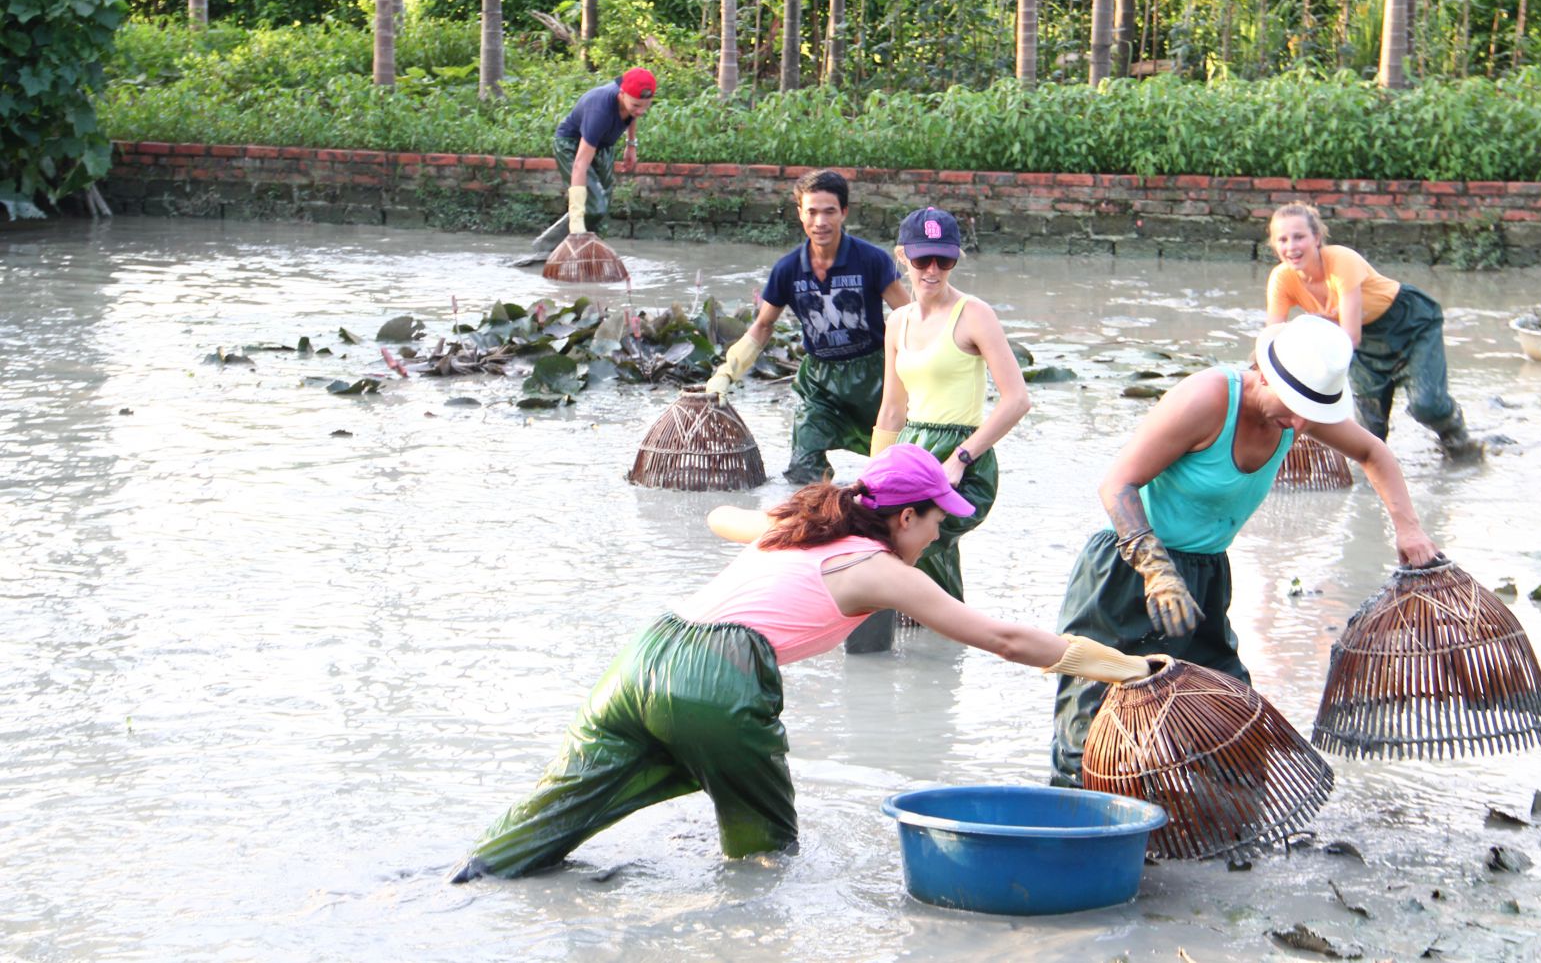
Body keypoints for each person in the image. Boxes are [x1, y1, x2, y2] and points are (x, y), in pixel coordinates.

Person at [447, 444, 1150, 882]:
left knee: (545, 822)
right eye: (937, 518)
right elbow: (1002, 639)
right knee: (767, 856)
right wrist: (1125, 667)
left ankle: (456, 885)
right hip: (717, 676)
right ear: (904, 518)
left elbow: (723, 518)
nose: (941, 531)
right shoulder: (877, 568)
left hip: (647, 652)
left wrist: (768, 523)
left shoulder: (804, 530)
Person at [1049, 315, 1441, 787]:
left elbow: (1374, 454)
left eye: (1309, 413)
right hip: (1127, 569)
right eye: (1292, 406)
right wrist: (1157, 570)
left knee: (1233, 717)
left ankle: (1212, 834)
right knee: (1092, 729)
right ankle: (1073, 833)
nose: (1298, 425)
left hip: (1206, 575)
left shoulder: (1301, 416)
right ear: (1262, 371)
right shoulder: (1207, 399)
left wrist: (1409, 530)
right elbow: (1117, 484)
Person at [706, 169, 910, 484]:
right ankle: (821, 523)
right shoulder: (788, 270)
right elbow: (763, 326)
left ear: (844, 212)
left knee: (898, 468)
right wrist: (726, 373)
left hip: (876, 380)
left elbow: (911, 317)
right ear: (800, 213)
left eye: (829, 211)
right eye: (811, 212)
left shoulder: (870, 260)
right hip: (821, 385)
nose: (820, 222)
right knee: (804, 469)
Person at [870, 207, 1031, 605]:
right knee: (895, 549)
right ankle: (940, 652)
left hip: (965, 460)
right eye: (922, 258)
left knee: (925, 547)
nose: (932, 270)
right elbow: (892, 409)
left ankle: (938, 637)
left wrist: (962, 457)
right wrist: (871, 481)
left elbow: (1017, 400)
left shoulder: (974, 314)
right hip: (911, 454)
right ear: (901, 256)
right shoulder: (898, 322)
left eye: (945, 260)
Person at [1265, 201, 1481, 460]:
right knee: (1369, 434)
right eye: (1283, 240)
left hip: (1408, 324)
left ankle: (1458, 438)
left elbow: (1350, 336)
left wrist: (1318, 389)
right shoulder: (1281, 279)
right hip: (1361, 344)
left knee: (1427, 405)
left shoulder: (1341, 261)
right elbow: (1272, 342)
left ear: (1317, 238)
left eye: (1299, 237)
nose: (1291, 247)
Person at [553, 66, 656, 236]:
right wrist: (577, 223)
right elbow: (580, 164)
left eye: (646, 106)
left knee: (602, 206)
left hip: (603, 146)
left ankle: (592, 248)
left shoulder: (631, 102)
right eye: (636, 105)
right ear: (621, 94)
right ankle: (556, 243)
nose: (641, 111)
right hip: (571, 145)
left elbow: (633, 115)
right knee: (595, 206)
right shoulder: (600, 111)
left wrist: (631, 144)